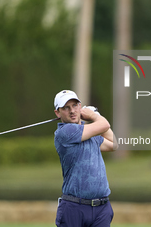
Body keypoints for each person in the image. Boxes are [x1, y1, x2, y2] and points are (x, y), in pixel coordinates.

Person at [53, 90, 117, 227]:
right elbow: (104, 125)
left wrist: (96, 116)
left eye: (75, 106)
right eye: (66, 107)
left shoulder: (89, 134)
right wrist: (94, 115)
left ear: (80, 107)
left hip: (101, 209)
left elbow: (114, 144)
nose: (72, 111)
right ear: (57, 113)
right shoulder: (65, 133)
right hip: (74, 207)